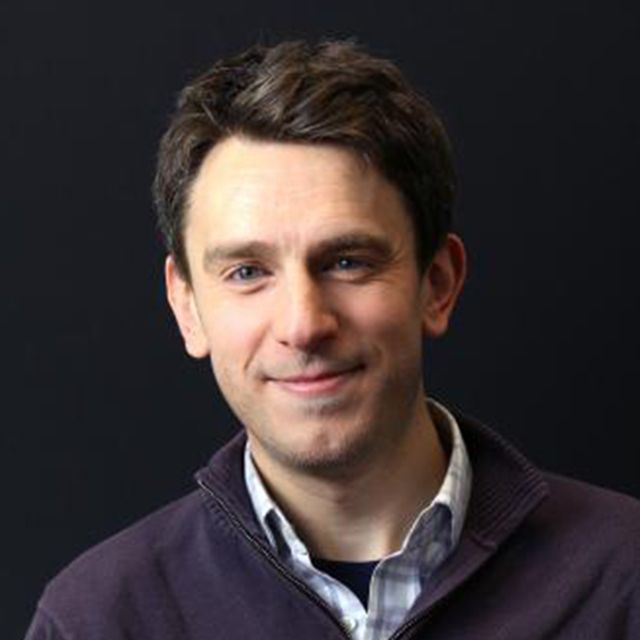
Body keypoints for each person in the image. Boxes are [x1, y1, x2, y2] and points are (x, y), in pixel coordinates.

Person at [26, 39, 640, 640]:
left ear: (437, 284)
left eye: (347, 262)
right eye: (247, 272)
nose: (303, 325)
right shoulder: (99, 620)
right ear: (187, 307)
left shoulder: (624, 579)